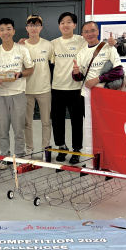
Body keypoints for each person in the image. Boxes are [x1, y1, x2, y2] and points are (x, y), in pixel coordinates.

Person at [0, 18, 34, 161]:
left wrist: (19, 74)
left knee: (18, 130)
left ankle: (19, 157)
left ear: (13, 31)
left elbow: (30, 69)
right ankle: (5, 157)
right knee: (3, 130)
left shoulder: (22, 49)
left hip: (18, 94)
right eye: (2, 30)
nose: (5, 32)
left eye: (8, 29)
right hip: (0, 95)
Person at [50, 12, 86, 164]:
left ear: (75, 25)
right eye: (62, 22)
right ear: (59, 26)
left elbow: (96, 45)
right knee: (57, 120)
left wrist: (112, 43)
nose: (66, 25)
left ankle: (77, 150)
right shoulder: (53, 44)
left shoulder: (81, 40)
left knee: (76, 121)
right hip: (57, 87)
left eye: (69, 22)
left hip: (76, 88)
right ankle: (61, 147)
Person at [22, 14, 53, 156]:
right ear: (26, 28)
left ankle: (46, 148)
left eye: (36, 25)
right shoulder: (21, 45)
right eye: (31, 25)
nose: (33, 28)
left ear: (41, 27)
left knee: (46, 122)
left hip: (44, 89)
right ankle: (29, 148)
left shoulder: (48, 45)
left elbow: (54, 64)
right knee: (27, 122)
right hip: (26, 89)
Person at [72, 22, 124, 92]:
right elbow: (79, 78)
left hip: (106, 92)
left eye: (93, 30)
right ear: (83, 35)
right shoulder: (81, 53)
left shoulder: (109, 48)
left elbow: (119, 72)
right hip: (87, 93)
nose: (90, 34)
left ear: (98, 32)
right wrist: (76, 73)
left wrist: (98, 79)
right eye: (86, 32)